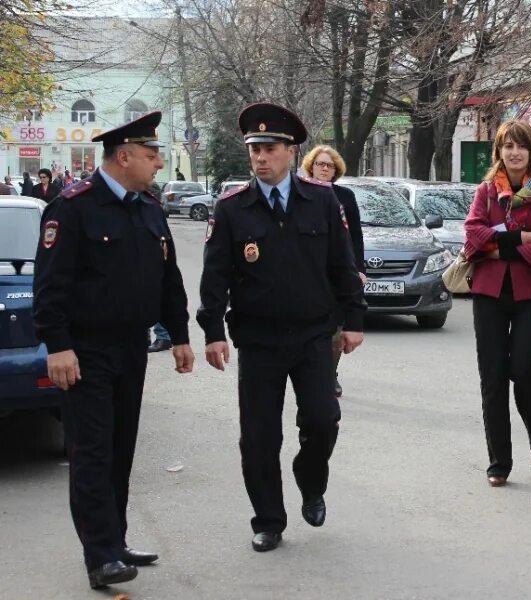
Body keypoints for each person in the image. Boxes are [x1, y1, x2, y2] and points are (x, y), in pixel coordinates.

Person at [32, 111, 195, 589]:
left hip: (131, 348)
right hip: (84, 350)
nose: (159, 164)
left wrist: (180, 334)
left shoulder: (147, 208)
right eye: (151, 155)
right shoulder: (72, 207)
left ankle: (115, 540)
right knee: (92, 452)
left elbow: (169, 281)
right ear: (123, 157)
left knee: (120, 448)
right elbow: (50, 286)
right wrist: (57, 345)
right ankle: (100, 554)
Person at [197, 102, 366, 553]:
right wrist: (213, 330)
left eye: (269, 149)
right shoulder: (233, 208)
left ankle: (311, 481)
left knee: (323, 418)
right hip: (259, 340)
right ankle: (268, 519)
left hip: (314, 335)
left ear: (291, 152)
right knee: (258, 436)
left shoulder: (322, 199)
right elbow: (216, 276)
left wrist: (353, 320)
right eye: (254, 149)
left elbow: (341, 265)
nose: (260, 157)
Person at [463, 120, 531, 487]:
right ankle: (499, 461)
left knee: (522, 368)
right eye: (507, 146)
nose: (514, 152)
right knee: (492, 376)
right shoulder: (487, 191)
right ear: (499, 152)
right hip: (489, 293)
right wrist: (519, 237)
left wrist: (497, 244)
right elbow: (472, 234)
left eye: (521, 146)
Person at [301, 145, 366, 398]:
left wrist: (358, 269)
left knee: (337, 326)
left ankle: (330, 374)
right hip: (310, 272)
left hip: (340, 270)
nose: (325, 168)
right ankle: (311, 372)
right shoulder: (301, 194)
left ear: (336, 169)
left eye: (329, 165)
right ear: (311, 166)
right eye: (320, 164)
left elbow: (356, 237)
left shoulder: (346, 196)